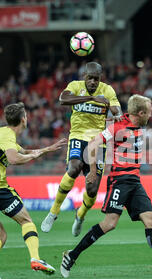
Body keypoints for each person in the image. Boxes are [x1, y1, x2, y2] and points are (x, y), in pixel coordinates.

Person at [59, 94, 152, 278]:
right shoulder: (116, 127)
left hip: (135, 181)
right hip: (119, 180)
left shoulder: (132, 123)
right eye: (149, 113)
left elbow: (123, 114)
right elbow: (92, 145)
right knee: (110, 224)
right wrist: (93, 171)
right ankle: (71, 256)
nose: (151, 116)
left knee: (151, 220)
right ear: (141, 113)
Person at [0, 102, 66, 279]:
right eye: (26, 116)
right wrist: (32, 156)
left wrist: (46, 149)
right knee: (26, 220)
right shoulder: (7, 135)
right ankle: (35, 258)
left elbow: (25, 152)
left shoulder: (1, 133)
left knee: (0, 235)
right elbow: (14, 158)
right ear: (23, 119)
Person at [41, 62, 122, 236]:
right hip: (77, 136)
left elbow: (117, 111)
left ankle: (80, 215)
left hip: (98, 141)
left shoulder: (107, 90)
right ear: (84, 76)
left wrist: (111, 107)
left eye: (96, 79)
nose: (93, 82)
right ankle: (54, 212)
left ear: (100, 79)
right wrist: (91, 99)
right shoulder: (75, 86)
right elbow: (63, 99)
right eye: (90, 78)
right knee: (74, 167)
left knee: (92, 189)